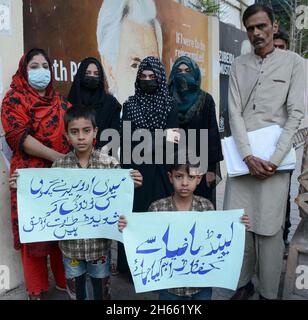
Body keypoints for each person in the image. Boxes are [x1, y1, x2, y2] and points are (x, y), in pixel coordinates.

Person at [10, 106, 143, 300]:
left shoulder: (109, 164)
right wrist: (22, 186)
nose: (81, 137)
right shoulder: (60, 166)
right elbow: (45, 201)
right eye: (74, 131)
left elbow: (120, 195)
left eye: (86, 131)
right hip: (71, 248)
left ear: (95, 132)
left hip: (99, 247)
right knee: (76, 291)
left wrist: (134, 183)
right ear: (66, 135)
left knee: (101, 290)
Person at [224, 4, 305, 300]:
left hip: (274, 163)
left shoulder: (295, 63)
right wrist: (247, 156)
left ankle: (269, 293)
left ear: (274, 25)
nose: (256, 33)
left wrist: (272, 160)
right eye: (251, 28)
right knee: (240, 225)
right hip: (242, 161)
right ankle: (242, 284)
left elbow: (296, 114)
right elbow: (234, 113)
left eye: (261, 26)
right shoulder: (237, 65)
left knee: (270, 230)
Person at [118, 154, 250, 300]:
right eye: (179, 176)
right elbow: (145, 239)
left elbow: (215, 238)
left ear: (199, 178)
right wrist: (128, 227)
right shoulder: (157, 208)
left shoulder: (206, 207)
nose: (185, 183)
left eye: (191, 177)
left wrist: (237, 225)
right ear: (170, 177)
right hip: (169, 288)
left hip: (201, 286)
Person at [1, 48, 71, 299]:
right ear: (23, 69)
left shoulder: (61, 102)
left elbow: (77, 133)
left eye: (45, 66)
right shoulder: (13, 100)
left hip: (62, 178)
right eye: (34, 66)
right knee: (34, 233)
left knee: (62, 229)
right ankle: (36, 288)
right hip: (30, 179)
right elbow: (18, 137)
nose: (41, 71)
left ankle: (66, 282)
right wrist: (59, 158)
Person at [118, 56, 178, 273]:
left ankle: (159, 267)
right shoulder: (129, 105)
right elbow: (125, 141)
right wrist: (128, 173)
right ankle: (132, 269)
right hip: (138, 172)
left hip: (162, 171)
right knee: (136, 218)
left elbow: (173, 141)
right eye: (143, 76)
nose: (147, 80)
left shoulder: (170, 105)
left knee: (159, 220)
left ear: (160, 79)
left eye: (152, 76)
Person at [168, 56, 223, 206]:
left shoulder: (205, 100)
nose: (183, 74)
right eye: (179, 71)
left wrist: (211, 169)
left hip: (199, 168)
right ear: (173, 74)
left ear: (195, 74)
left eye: (187, 71)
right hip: (172, 167)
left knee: (200, 208)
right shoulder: (166, 99)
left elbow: (212, 136)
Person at [97, 0, 162, 104]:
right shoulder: (106, 116)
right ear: (109, 69)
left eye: (154, 64)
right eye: (135, 65)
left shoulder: (166, 113)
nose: (147, 76)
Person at [67, 57, 121, 150]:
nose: (92, 77)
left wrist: (100, 154)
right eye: (88, 73)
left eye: (96, 74)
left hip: (104, 159)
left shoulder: (110, 104)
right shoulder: (70, 103)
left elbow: (116, 135)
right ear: (81, 75)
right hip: (74, 159)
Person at [273, 30, 292, 251]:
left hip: (283, 149)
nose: (277, 51)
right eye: (274, 47)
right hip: (256, 151)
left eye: (281, 47)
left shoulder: (293, 74)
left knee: (283, 194)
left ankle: (282, 235)